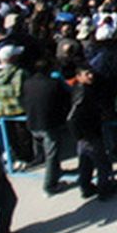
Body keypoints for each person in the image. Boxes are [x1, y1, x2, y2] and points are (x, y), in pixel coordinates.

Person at [21, 59, 70, 195]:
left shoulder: (27, 83)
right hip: (49, 124)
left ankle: (55, 172)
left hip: (32, 122)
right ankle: (50, 186)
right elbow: (65, 98)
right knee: (52, 155)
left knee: (44, 152)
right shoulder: (53, 84)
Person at [67, 65, 117, 200]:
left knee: (86, 163)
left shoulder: (84, 90)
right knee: (101, 162)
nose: (91, 76)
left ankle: (86, 187)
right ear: (78, 76)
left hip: (87, 134)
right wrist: (80, 135)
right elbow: (72, 117)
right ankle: (104, 189)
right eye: (87, 74)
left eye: (91, 73)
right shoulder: (82, 93)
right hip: (89, 134)